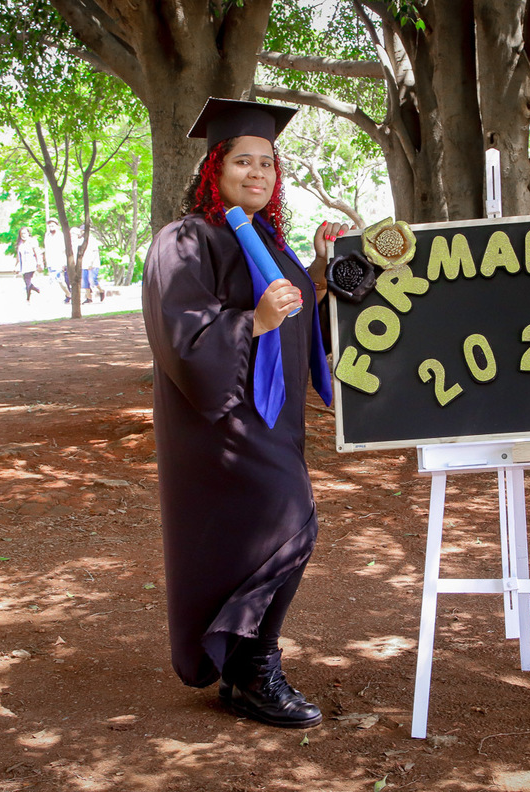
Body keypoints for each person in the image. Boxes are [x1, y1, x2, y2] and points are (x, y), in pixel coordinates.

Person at [141, 97, 350, 730]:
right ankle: (257, 670)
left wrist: (317, 269)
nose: (257, 172)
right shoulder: (185, 240)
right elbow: (181, 334)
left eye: (267, 163)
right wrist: (252, 322)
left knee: (275, 535)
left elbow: (300, 320)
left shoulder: (268, 244)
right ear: (216, 168)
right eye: (243, 161)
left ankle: (243, 670)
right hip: (221, 423)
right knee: (292, 525)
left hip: (274, 420)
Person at [72, 225, 105, 304]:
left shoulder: (92, 240)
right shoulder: (80, 240)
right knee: (84, 281)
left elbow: (95, 252)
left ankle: (101, 290)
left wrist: (91, 263)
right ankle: (89, 298)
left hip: (93, 264)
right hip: (84, 264)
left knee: (92, 280)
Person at [42, 218, 72, 303]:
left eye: (53, 225)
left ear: (57, 226)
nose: (51, 227)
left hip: (59, 261)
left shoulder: (61, 235)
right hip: (50, 262)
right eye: (50, 226)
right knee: (53, 280)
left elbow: (64, 250)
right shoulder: (47, 236)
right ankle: (67, 295)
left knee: (60, 280)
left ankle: (69, 294)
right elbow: (47, 249)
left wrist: (63, 263)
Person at [14, 227, 42, 302]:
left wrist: (39, 262)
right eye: (21, 234)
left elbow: (37, 252)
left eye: (24, 233)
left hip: (31, 264)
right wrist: (16, 266)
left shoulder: (32, 241)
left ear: (28, 233)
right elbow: (18, 256)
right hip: (24, 266)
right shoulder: (20, 244)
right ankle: (36, 289)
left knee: (27, 281)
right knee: (27, 282)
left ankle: (28, 299)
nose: (23, 235)